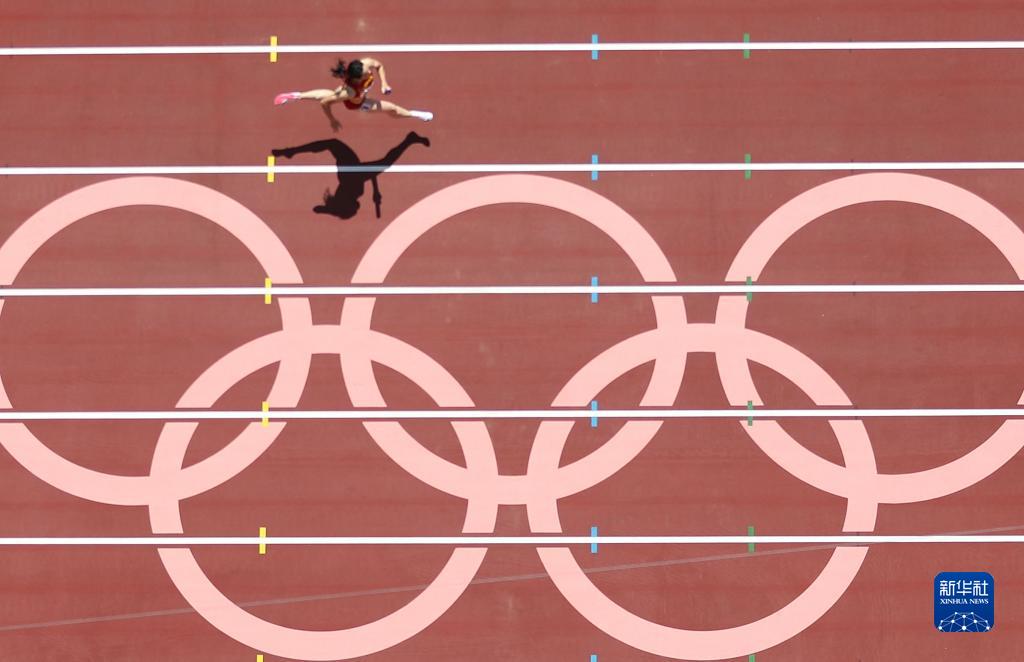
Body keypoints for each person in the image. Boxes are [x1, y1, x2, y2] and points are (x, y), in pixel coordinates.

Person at [271, 132, 430, 219]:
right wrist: (375, 191)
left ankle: (291, 151)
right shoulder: (353, 196)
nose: (357, 208)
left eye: (354, 209)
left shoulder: (351, 194)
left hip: (350, 170)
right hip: (353, 171)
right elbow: (371, 173)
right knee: (384, 162)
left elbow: (371, 173)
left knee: (333, 144)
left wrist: (324, 210)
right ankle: (409, 140)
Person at [274, 58, 433, 131]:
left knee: (333, 93)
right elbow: (324, 103)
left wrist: (384, 83)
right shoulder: (350, 92)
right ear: (357, 78)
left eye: (366, 70)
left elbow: (379, 65)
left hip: (352, 91)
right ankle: (414, 114)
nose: (368, 72)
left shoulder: (365, 64)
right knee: (392, 109)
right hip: (358, 103)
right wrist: (332, 120)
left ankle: (296, 95)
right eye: (365, 74)